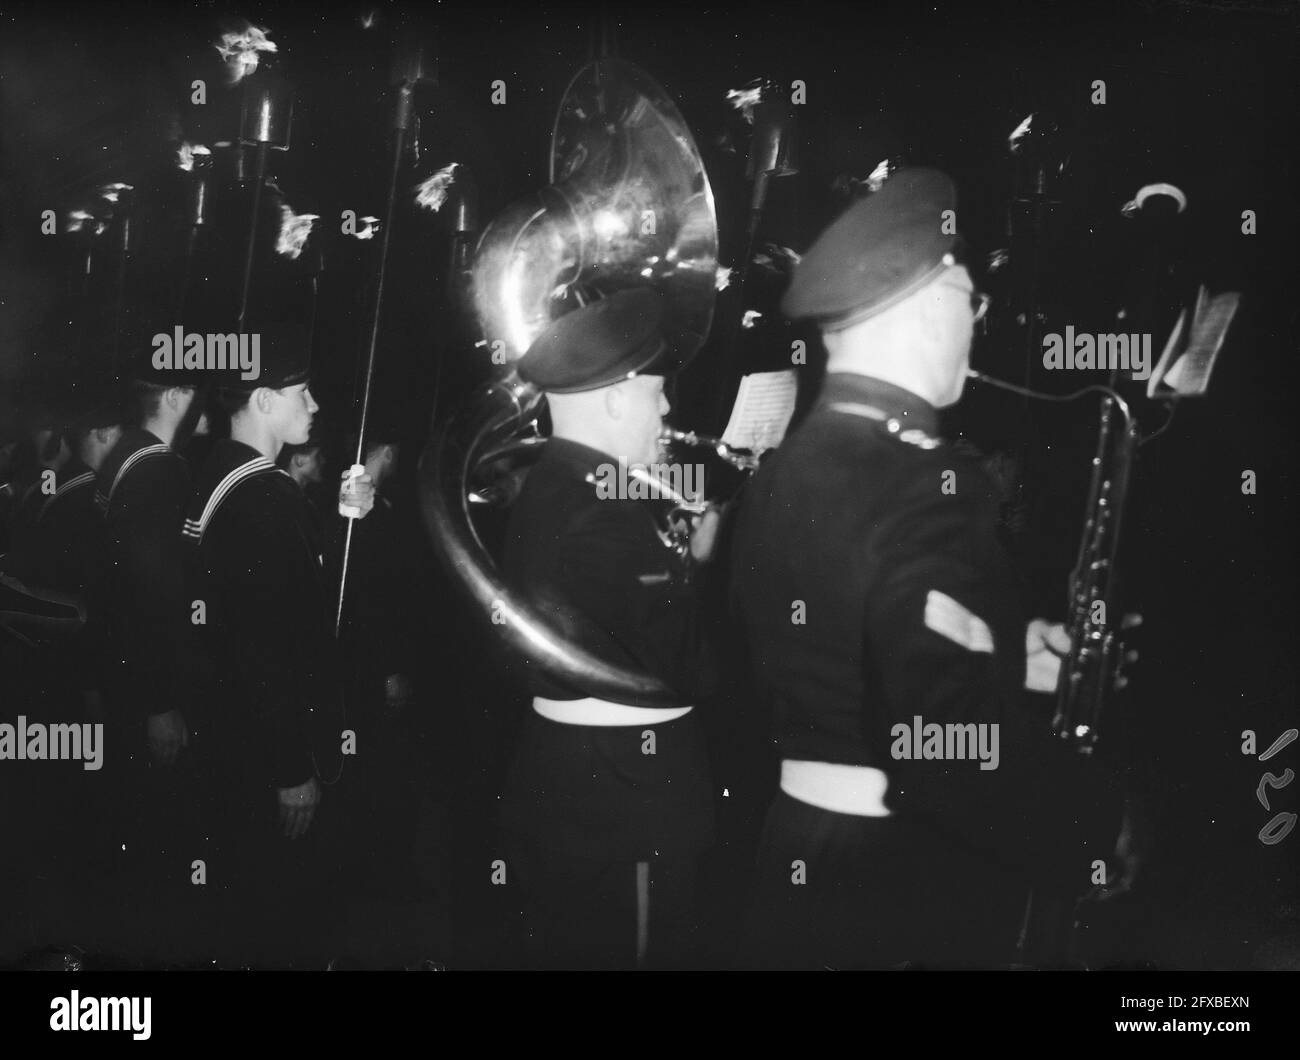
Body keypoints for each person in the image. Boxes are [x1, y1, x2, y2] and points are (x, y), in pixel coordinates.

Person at [731, 168, 1121, 969]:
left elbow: (846, 636)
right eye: (970, 304)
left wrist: (1008, 652)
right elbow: (934, 738)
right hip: (895, 879)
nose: (977, 327)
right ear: (929, 308)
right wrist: (1094, 821)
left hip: (794, 851)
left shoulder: (783, 467)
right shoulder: (923, 481)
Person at [498, 289, 720, 969]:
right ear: (619, 398)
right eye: (658, 394)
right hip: (624, 793)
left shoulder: (572, 484)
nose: (668, 409)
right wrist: (723, 556)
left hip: (593, 781)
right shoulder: (592, 509)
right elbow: (693, 659)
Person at [181, 322, 374, 966]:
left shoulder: (223, 472)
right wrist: (293, 769)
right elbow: (267, 643)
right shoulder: (264, 496)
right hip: (266, 750)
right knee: (277, 919)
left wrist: (341, 521)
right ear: (264, 400)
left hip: (227, 730)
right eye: (303, 393)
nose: (314, 406)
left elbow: (266, 596)